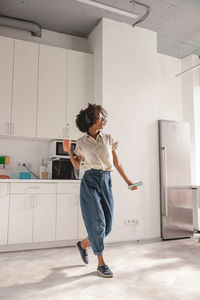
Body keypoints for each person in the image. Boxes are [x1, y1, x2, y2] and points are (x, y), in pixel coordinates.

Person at [63, 103, 138, 278]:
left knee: (108, 226)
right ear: (91, 120)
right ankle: (101, 263)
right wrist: (68, 152)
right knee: (98, 224)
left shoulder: (108, 139)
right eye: (100, 117)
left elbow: (117, 162)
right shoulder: (81, 143)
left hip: (106, 181)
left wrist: (129, 181)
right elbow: (76, 165)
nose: (103, 119)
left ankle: (83, 244)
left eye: (103, 116)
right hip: (89, 182)